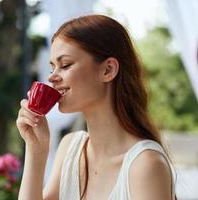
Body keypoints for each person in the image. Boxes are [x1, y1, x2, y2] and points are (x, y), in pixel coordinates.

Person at [16, 14, 176, 200]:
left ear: (107, 70)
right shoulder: (70, 148)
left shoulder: (145, 165)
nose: (52, 77)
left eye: (65, 65)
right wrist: (36, 149)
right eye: (53, 68)